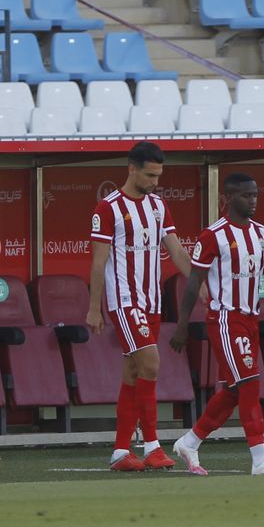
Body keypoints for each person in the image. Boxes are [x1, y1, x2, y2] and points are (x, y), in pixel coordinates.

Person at [169, 173, 264, 475]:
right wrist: (182, 324)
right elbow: (194, 282)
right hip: (225, 318)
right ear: (229, 197)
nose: (253, 201)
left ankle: (190, 441)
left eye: (256, 195)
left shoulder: (260, 232)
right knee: (249, 383)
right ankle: (260, 459)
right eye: (246, 195)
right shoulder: (213, 235)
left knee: (236, 389)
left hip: (251, 319)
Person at [87, 141, 192, 472]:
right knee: (151, 363)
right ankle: (152, 446)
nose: (155, 182)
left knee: (134, 371)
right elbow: (98, 261)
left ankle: (120, 451)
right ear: (131, 169)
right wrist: (94, 307)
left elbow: (176, 251)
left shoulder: (159, 207)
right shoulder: (108, 208)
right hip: (126, 301)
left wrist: (201, 284)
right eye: (149, 175)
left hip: (152, 301)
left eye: (158, 176)